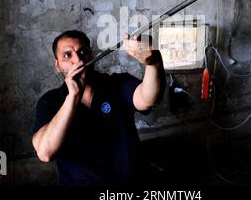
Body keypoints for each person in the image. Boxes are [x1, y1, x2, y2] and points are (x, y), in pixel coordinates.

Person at [31, 30, 165, 186]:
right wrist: (73, 97)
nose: (78, 59)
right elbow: (45, 153)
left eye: (83, 52)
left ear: (91, 56)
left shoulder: (117, 84)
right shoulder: (50, 101)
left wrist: (154, 61)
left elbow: (148, 98)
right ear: (58, 65)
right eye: (67, 55)